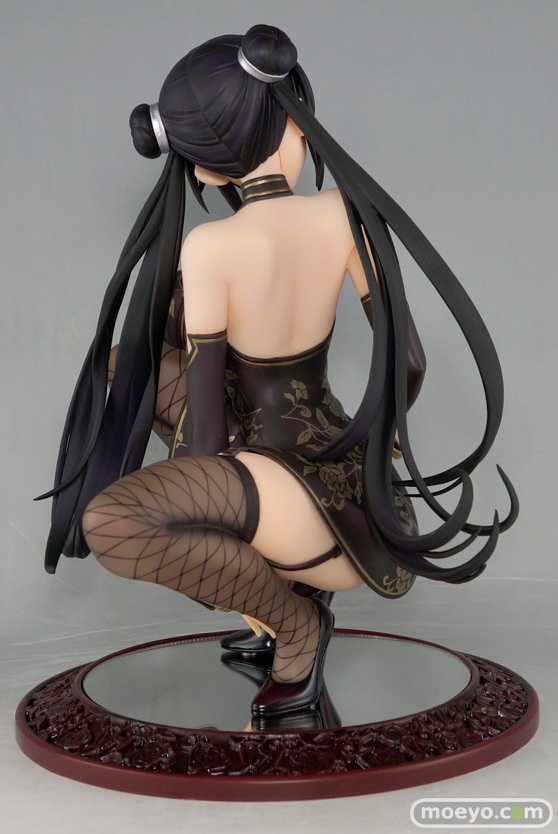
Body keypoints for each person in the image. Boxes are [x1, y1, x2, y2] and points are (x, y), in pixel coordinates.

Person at [37, 25, 518, 718]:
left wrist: (209, 535)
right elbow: (409, 362)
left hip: (293, 515)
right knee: (127, 367)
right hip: (355, 491)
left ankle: (294, 627)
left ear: (205, 171)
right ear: (294, 122)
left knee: (113, 521)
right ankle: (284, 591)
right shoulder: (344, 213)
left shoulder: (211, 247)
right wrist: (372, 453)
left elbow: (205, 436)